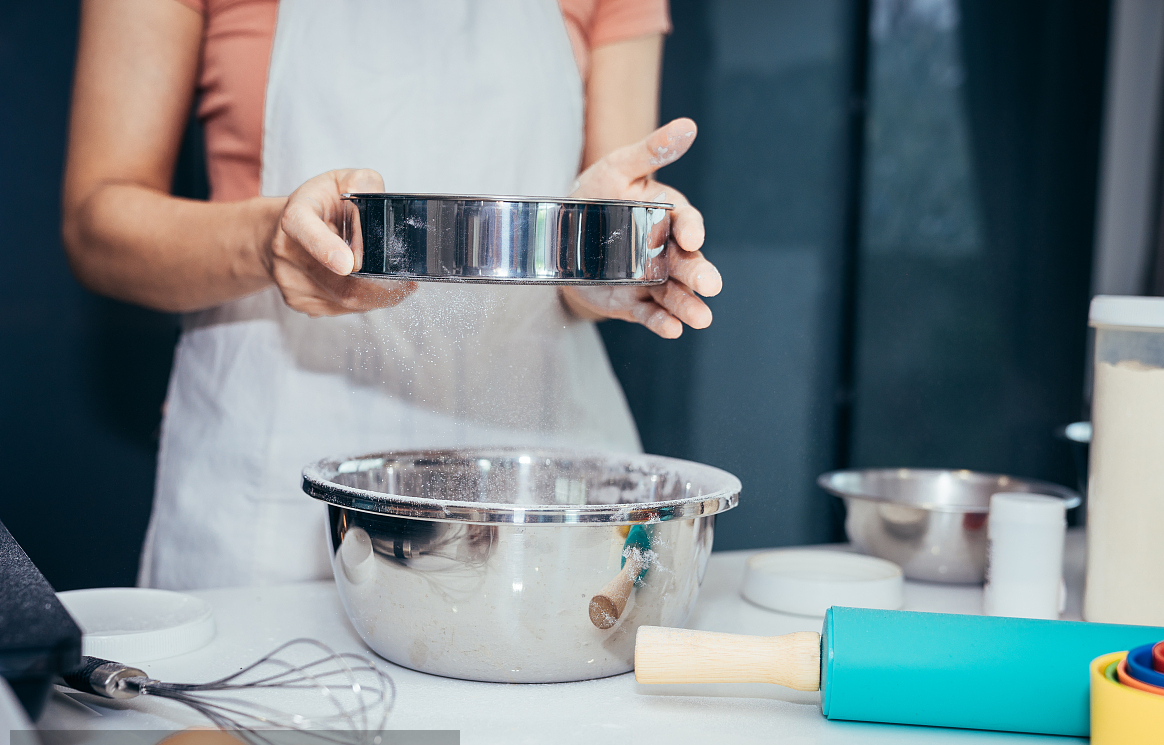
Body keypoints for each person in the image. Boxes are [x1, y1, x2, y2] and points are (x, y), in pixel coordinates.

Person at [62, 0, 721, 589]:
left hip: (540, 476)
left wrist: (609, 258)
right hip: (270, 483)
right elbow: (97, 226)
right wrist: (266, 243)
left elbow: (590, 236)